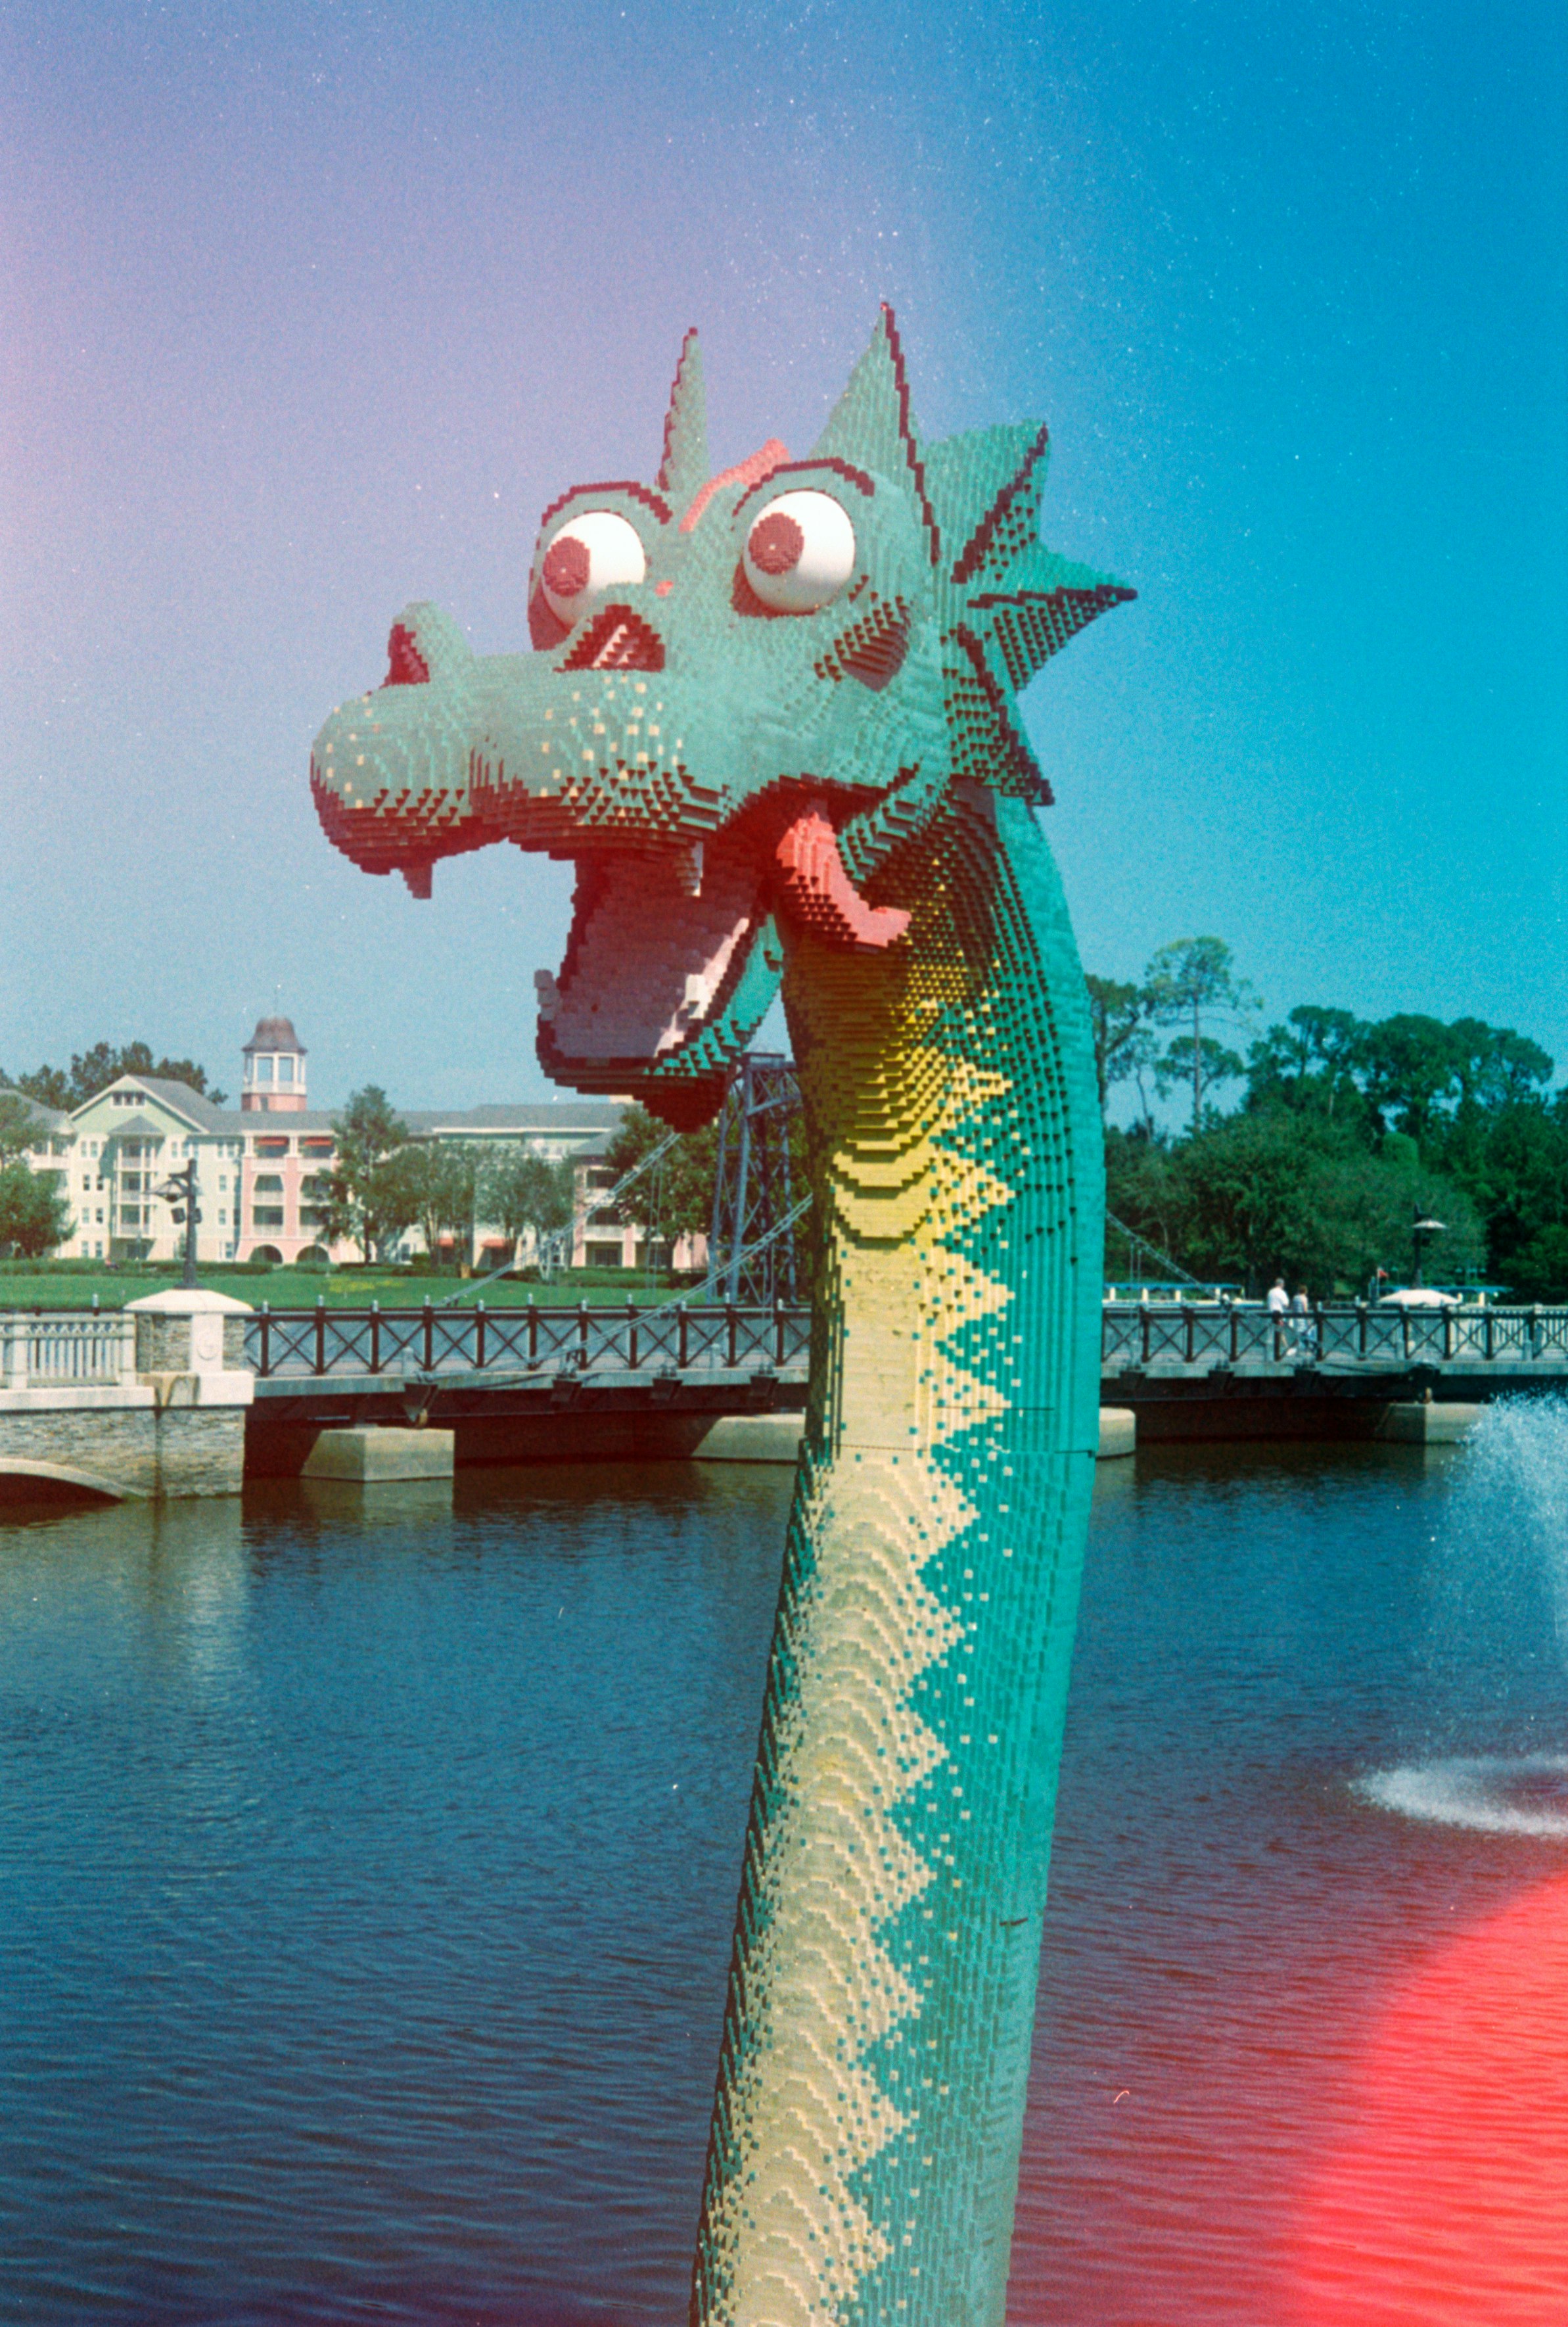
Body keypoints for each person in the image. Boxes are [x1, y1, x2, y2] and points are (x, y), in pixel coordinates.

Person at [1289, 1283, 1316, 1356]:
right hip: (1302, 1319)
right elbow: (1305, 1310)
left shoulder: (1295, 1298)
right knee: (1306, 1334)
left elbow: (1292, 1308)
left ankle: (1298, 1350)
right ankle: (1308, 1351)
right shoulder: (1304, 1298)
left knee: (1298, 1334)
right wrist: (1309, 1320)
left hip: (1296, 1318)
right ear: (1305, 1291)